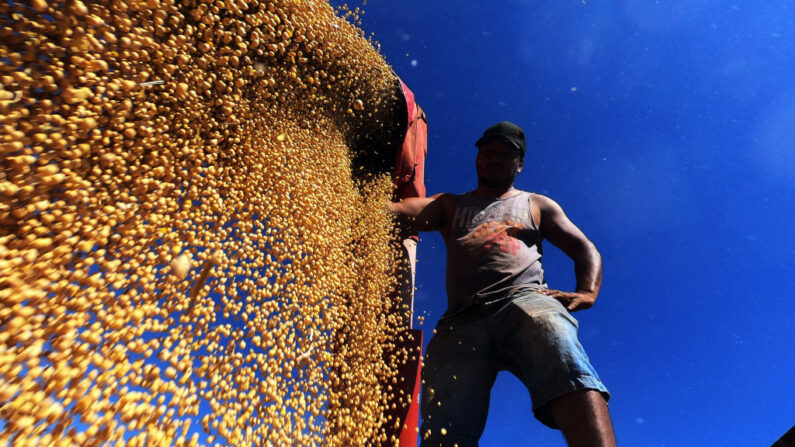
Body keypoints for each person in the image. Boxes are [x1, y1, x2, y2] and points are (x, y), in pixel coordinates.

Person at [389, 121, 615, 447]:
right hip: (461, 320)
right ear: (478, 157)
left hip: (522, 299)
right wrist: (369, 208)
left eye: (506, 154)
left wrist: (588, 291)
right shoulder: (452, 205)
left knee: (552, 335)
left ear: (519, 164)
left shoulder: (535, 204)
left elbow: (584, 248)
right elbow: (407, 210)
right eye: (488, 151)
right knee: (444, 425)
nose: (494, 158)